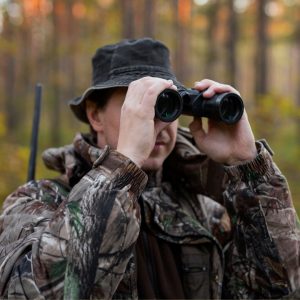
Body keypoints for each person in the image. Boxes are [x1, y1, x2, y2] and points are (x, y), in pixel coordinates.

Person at [0, 37, 299, 299]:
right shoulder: (38, 202)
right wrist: (123, 164)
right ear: (95, 116)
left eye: (167, 104)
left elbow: (279, 288)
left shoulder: (205, 211)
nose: (158, 124)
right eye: (139, 104)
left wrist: (249, 168)